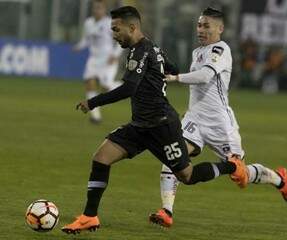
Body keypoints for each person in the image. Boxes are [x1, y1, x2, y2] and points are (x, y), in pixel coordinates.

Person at [61, 6, 248, 234]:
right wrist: (158, 75)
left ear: (132, 27)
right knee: (101, 158)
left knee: (186, 176)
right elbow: (172, 67)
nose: (113, 34)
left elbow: (129, 88)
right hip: (140, 125)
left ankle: (231, 166)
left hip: (162, 126)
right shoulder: (152, 47)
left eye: (116, 29)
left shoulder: (140, 51)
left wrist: (93, 102)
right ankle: (89, 217)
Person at [148, 7, 287, 228]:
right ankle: (166, 211)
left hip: (219, 125)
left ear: (220, 28)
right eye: (199, 25)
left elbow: (206, 76)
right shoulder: (197, 52)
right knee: (172, 156)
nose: (201, 29)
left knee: (241, 174)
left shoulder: (221, 49)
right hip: (194, 120)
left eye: (206, 25)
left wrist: (174, 77)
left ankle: (278, 178)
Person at [73, 0, 122, 124]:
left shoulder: (110, 23)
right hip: (94, 59)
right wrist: (79, 47)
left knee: (107, 88)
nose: (96, 10)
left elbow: (122, 39)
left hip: (107, 59)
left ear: (104, 10)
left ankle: (127, 85)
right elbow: (86, 40)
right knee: (89, 83)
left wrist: (115, 55)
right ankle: (95, 116)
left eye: (99, 8)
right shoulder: (88, 23)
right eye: (95, 8)